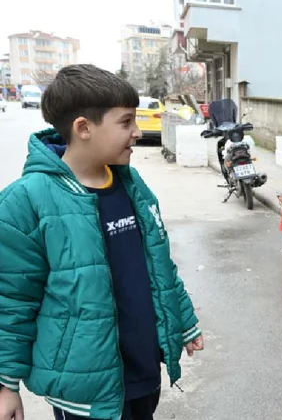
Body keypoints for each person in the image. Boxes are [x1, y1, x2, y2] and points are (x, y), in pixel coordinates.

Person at [0, 64, 204, 420]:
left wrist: (183, 320)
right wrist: (6, 384)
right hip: (85, 388)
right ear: (84, 128)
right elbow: (12, 299)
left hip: (142, 371)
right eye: (126, 122)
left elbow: (159, 263)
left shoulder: (131, 184)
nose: (138, 132)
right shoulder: (26, 200)